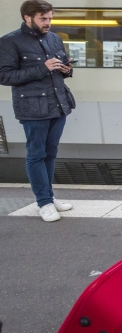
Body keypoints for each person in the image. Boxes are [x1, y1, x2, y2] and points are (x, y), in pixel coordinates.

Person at [0, 0, 75, 222]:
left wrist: (66, 69)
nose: (48, 23)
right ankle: (43, 202)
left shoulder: (54, 38)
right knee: (36, 155)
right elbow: (5, 76)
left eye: (50, 18)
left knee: (50, 153)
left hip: (58, 104)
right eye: (43, 19)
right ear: (28, 18)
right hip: (32, 108)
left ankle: (49, 197)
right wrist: (42, 68)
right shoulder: (10, 42)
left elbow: (58, 68)